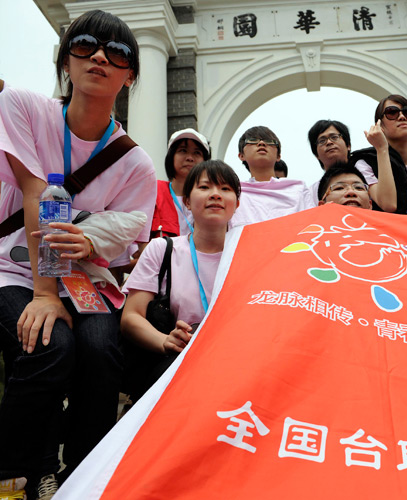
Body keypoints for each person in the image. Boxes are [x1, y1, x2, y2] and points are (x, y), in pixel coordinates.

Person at [0, 10, 156, 497]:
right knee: (48, 347)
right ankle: (16, 469)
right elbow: (33, 193)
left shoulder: (136, 162)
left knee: (100, 352)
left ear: (130, 75)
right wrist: (44, 295)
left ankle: (82, 477)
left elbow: (133, 225)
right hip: (15, 267)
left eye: (118, 53)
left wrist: (91, 239)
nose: (100, 57)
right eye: (85, 44)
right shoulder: (23, 107)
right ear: (66, 60)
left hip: (85, 280)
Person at [121, 160, 240, 400]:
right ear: (186, 201)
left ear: (237, 203)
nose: (216, 194)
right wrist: (166, 341)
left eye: (225, 189)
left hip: (234, 363)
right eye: (205, 187)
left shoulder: (250, 253)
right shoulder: (161, 249)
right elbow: (131, 317)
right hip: (173, 364)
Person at [230, 126, 312, 227]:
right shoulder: (234, 192)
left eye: (269, 141)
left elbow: (312, 225)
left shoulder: (298, 189)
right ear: (241, 155)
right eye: (252, 140)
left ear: (278, 156)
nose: (261, 143)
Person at [152, 128, 211, 238]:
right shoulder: (153, 192)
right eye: (183, 151)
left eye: (197, 153)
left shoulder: (213, 198)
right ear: (171, 157)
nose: (189, 158)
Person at [306, 119, 352, 203]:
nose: (329, 142)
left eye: (334, 137)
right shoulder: (311, 193)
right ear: (316, 155)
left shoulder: (368, 174)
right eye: (322, 141)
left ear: (348, 145)